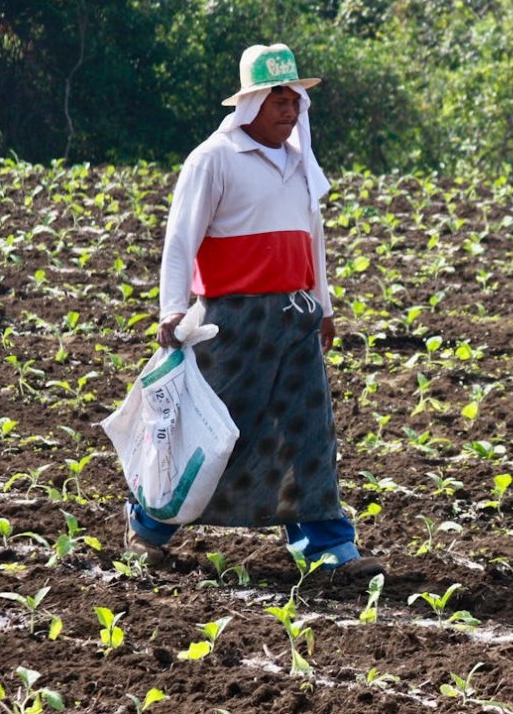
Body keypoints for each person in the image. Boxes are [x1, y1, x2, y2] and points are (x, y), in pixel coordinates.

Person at [122, 43, 385, 584]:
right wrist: (172, 309)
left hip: (295, 315)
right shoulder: (214, 159)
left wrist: (324, 306)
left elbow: (312, 240)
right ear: (251, 104)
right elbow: (179, 240)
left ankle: (326, 545)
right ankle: (146, 527)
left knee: (309, 429)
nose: (289, 109)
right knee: (212, 429)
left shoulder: (298, 162)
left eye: (294, 99)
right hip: (231, 321)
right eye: (277, 98)